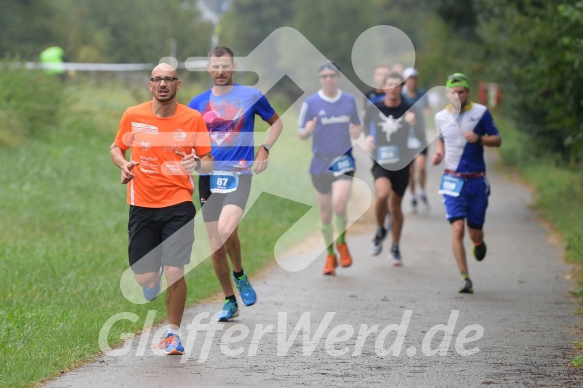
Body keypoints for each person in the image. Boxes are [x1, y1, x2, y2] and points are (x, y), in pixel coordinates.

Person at [110, 63, 214, 355]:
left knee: (175, 270)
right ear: (150, 85)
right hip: (142, 203)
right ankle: (150, 279)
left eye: (169, 79)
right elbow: (116, 148)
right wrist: (123, 164)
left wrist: (196, 164)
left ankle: (173, 334)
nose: (163, 84)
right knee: (144, 276)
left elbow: (208, 161)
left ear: (178, 84)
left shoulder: (192, 118)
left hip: (178, 203)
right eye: (158, 79)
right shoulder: (133, 114)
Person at [188, 46, 283, 321]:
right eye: (215, 66)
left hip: (238, 173)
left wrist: (264, 148)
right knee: (215, 246)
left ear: (233, 67)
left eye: (225, 66)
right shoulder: (197, 103)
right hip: (208, 176)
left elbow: (276, 124)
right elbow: (190, 139)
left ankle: (239, 274)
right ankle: (229, 301)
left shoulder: (251, 96)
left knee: (227, 228)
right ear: (209, 68)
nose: (220, 71)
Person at [431, 73, 502, 293]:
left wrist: (480, 139)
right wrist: (439, 154)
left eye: (461, 92)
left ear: (468, 92)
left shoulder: (480, 112)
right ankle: (465, 277)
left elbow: (497, 140)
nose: (457, 96)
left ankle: (478, 243)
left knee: (474, 233)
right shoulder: (440, 117)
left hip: (476, 180)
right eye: (453, 92)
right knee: (457, 228)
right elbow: (442, 141)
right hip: (452, 179)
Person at [298, 60, 362, 275]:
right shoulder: (311, 103)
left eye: (332, 76)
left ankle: (341, 243)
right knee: (325, 213)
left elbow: (358, 125)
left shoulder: (349, 101)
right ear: (320, 79)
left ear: (338, 78)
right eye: (324, 76)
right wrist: (307, 130)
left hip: (343, 159)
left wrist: (356, 131)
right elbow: (301, 132)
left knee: (340, 205)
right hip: (319, 162)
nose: (328, 79)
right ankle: (330, 255)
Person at [364, 72, 424, 266]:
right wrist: (368, 138)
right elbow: (366, 126)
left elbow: (421, 138)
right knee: (382, 195)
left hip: (402, 163)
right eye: (390, 84)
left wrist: (413, 125)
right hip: (381, 161)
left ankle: (395, 246)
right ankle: (380, 228)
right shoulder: (375, 107)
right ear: (384, 87)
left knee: (395, 207)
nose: (393, 88)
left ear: (402, 87)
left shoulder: (409, 109)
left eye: (398, 85)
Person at [401, 67, 430, 213]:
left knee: (422, 166)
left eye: (414, 78)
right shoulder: (401, 96)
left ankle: (422, 191)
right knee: (410, 171)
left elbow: (428, 109)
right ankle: (412, 195)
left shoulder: (422, 94)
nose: (412, 81)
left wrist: (427, 112)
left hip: (420, 136)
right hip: (406, 138)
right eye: (409, 79)